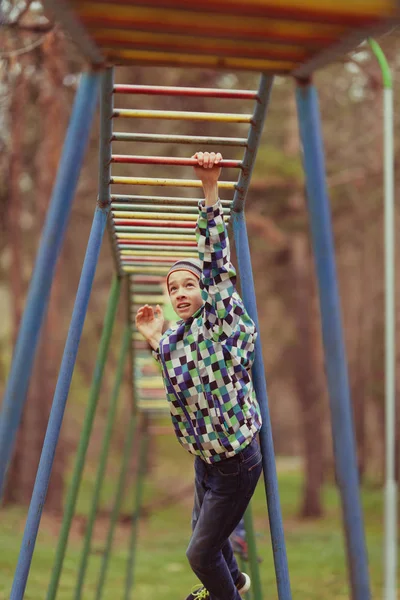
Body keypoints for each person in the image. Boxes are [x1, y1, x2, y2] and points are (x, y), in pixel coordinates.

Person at [135, 151, 263, 600]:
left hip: (235, 462)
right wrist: (154, 338)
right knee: (208, 539)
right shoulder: (176, 341)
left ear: (206, 291)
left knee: (200, 554)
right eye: (174, 289)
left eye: (189, 285)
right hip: (204, 461)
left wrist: (210, 188)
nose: (181, 293)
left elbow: (213, 261)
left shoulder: (222, 322)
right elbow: (174, 373)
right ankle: (236, 585)